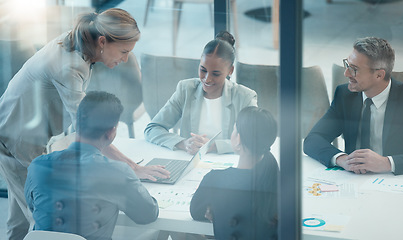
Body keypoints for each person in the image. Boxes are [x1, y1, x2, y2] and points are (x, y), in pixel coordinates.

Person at [0, 8, 168, 240]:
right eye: (124, 51)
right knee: (40, 220)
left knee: (18, 220)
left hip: (17, 131)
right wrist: (133, 167)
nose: (126, 59)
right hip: (18, 138)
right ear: (102, 41)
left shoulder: (79, 41)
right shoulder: (70, 66)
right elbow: (89, 129)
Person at [24, 91, 159, 240]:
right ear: (111, 132)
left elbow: (33, 206)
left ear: (78, 124)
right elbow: (147, 215)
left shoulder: (37, 166)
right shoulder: (117, 173)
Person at [304, 37, 403, 175]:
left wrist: (387, 163)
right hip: (354, 181)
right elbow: (313, 140)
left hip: (394, 182)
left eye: (354, 69)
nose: (346, 73)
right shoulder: (345, 95)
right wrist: (343, 159)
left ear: (379, 75)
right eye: (347, 65)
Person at [144, 31, 257, 155]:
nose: (207, 79)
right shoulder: (185, 89)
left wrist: (213, 146)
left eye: (216, 73)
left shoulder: (245, 97)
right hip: (191, 163)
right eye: (203, 70)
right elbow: (152, 129)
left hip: (228, 165)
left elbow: (254, 139)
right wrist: (184, 143)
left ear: (230, 71)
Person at [190, 106, 278, 240]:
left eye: (234, 129)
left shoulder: (214, 180)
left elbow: (196, 213)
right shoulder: (277, 177)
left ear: (238, 140)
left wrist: (212, 205)